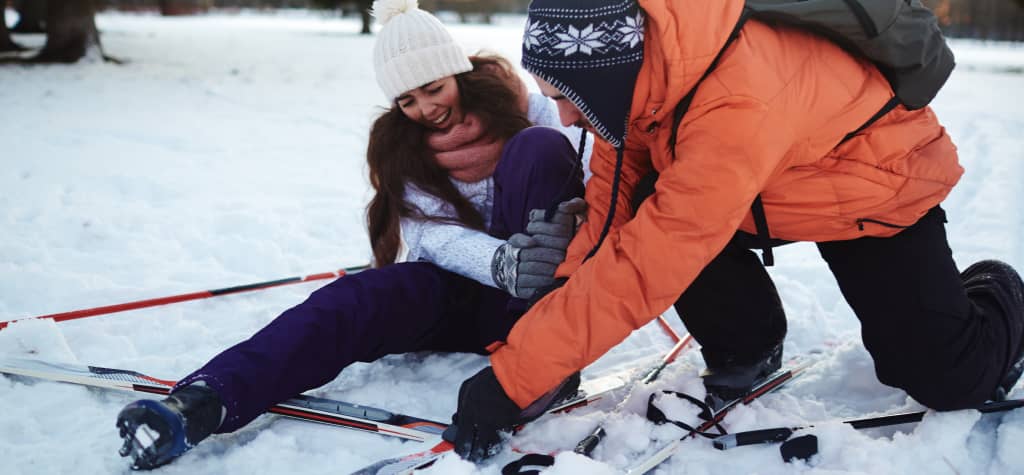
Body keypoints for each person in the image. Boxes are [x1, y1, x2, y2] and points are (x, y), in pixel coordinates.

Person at [447, 0, 1024, 461]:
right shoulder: (637, 82)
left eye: (568, 99)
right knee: (654, 201)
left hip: (870, 189)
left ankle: (997, 292)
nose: (565, 118)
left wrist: (510, 382)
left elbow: (649, 260)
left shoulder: (735, 96)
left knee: (948, 381)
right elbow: (609, 217)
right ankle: (749, 341)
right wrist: (549, 339)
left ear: (605, 74)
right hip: (761, 191)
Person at [112, 0, 591, 469]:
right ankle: (203, 402)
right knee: (355, 298)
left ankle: (548, 361)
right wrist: (500, 263)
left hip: (544, 306)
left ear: (457, 71)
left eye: (432, 87)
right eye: (407, 100)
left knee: (539, 147)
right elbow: (429, 234)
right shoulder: (400, 146)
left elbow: (594, 175)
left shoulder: (531, 108)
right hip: (469, 288)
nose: (425, 108)